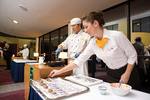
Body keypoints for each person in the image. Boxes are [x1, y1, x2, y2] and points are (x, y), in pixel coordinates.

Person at [49, 11, 141, 89]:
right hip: (111, 74)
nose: (85, 30)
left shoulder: (117, 36)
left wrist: (127, 74)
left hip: (128, 72)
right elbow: (79, 61)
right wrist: (59, 71)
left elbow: (132, 55)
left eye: (86, 27)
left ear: (95, 23)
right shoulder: (93, 43)